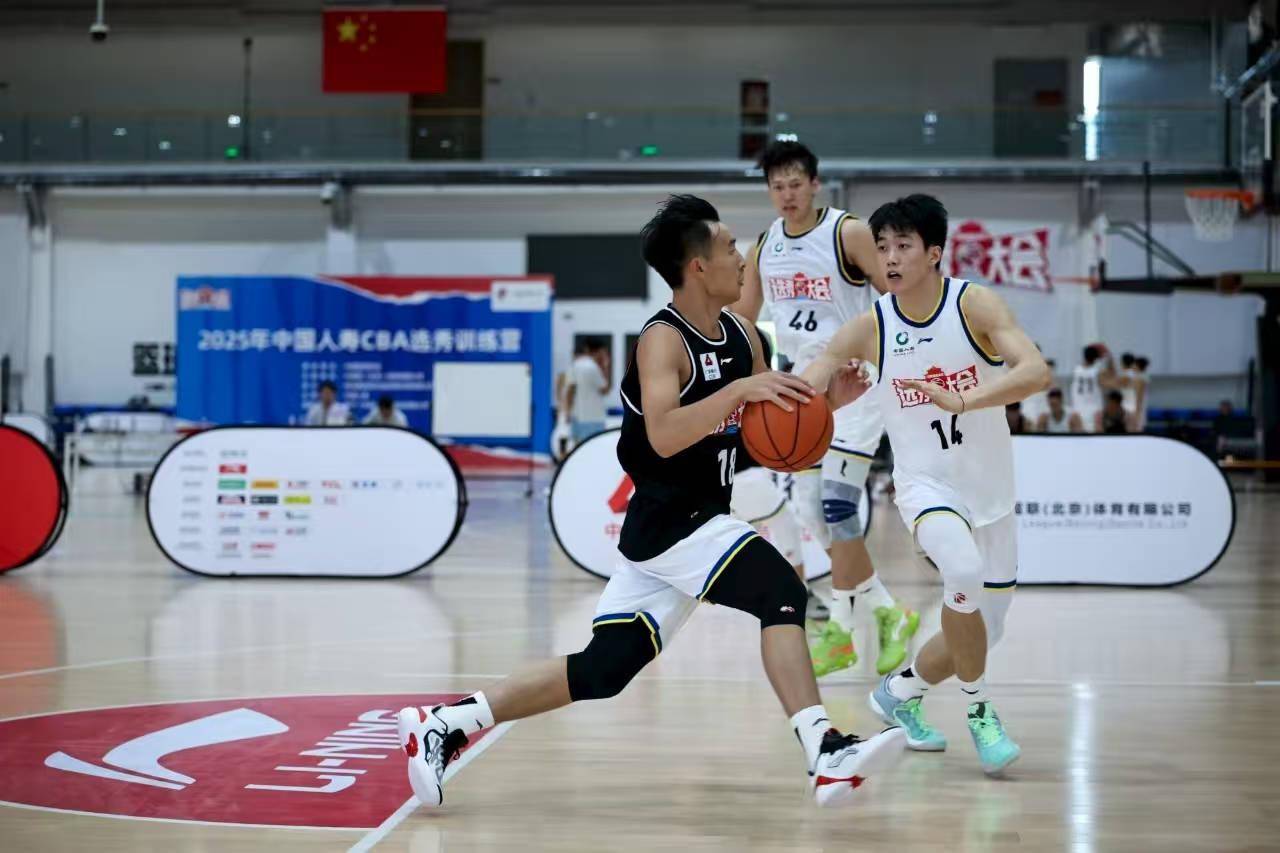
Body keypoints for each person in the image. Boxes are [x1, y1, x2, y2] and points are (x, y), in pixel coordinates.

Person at [396, 195, 905, 810]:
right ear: (697, 266)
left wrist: (826, 408)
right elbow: (663, 435)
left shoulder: (746, 336)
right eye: (728, 247)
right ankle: (825, 751)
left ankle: (446, 724)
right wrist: (741, 390)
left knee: (603, 670)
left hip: (687, 525)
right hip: (674, 520)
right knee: (783, 592)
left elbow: (763, 443)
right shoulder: (661, 341)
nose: (743, 258)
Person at [803, 194, 1050, 775]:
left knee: (986, 628)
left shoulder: (973, 305)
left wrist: (965, 400)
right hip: (925, 489)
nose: (889, 258)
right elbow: (808, 383)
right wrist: (795, 403)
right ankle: (980, 710)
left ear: (934, 252)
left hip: (991, 492)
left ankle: (899, 692)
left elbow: (1035, 372)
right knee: (961, 572)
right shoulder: (871, 327)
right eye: (882, 247)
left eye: (903, 246)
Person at [732, 140, 917, 678]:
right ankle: (887, 611)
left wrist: (888, 355)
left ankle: (839, 631)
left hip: (858, 382)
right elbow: (744, 320)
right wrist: (753, 378)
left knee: (836, 504)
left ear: (815, 184)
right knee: (812, 511)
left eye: (795, 184)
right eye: (777, 186)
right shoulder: (764, 246)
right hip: (803, 388)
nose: (787, 195)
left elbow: (898, 296)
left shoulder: (847, 233)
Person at [729, 326, 828, 621]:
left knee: (752, 538)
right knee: (786, 526)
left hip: (726, 478)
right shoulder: (755, 386)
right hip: (743, 477)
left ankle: (781, 593)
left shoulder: (733, 384)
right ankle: (798, 595)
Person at [565, 338, 611, 444]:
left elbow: (570, 390)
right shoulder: (593, 367)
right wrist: (606, 367)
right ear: (599, 351)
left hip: (577, 415)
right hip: (594, 418)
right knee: (593, 448)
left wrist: (568, 411)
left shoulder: (575, 364)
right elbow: (605, 390)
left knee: (578, 448)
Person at [1069, 344, 1121, 433]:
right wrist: (1109, 357)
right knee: (1097, 435)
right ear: (1096, 358)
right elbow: (1113, 375)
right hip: (1094, 411)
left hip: (1078, 409)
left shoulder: (1076, 370)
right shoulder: (1098, 372)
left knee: (1079, 436)